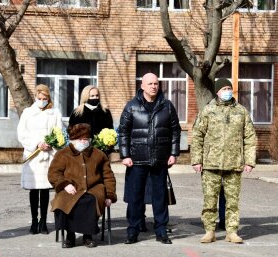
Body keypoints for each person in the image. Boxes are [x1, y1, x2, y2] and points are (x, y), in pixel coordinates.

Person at [191, 78, 257, 244]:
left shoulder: (241, 111)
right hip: (210, 163)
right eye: (224, 88)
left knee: (232, 201)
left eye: (229, 88)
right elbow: (198, 135)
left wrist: (249, 161)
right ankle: (209, 231)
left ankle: (232, 231)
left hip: (234, 164)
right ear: (217, 91)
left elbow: (249, 137)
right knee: (209, 200)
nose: (227, 91)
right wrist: (196, 160)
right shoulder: (207, 110)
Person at [118, 73, 181, 245]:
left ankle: (161, 231)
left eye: (156, 83)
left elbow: (175, 131)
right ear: (143, 86)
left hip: (160, 160)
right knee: (135, 197)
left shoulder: (167, 106)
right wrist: (125, 155)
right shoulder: (131, 106)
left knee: (159, 198)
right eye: (150, 83)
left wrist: (173, 153)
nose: (154, 86)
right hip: (137, 160)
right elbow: (123, 132)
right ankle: (133, 231)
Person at [48, 123, 117, 248]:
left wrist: (109, 195)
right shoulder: (63, 154)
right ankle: (70, 235)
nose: (83, 141)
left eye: (86, 139)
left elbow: (108, 176)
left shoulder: (99, 154)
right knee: (66, 200)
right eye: (80, 139)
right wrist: (65, 184)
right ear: (73, 140)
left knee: (90, 200)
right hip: (70, 188)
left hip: (94, 188)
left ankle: (88, 235)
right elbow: (53, 173)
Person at [17, 84, 63, 234]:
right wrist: (36, 143)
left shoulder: (54, 113)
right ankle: (34, 221)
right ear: (35, 97)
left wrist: (51, 144)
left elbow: (59, 132)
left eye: (45, 98)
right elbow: (22, 133)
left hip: (48, 156)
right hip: (33, 156)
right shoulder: (28, 112)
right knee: (34, 190)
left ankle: (43, 222)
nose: (42, 101)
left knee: (45, 190)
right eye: (39, 98)